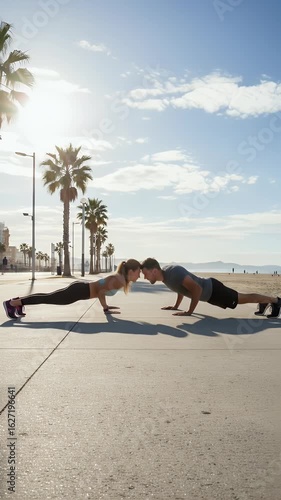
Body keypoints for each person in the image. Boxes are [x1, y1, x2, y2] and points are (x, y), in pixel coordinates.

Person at [141, 258, 281, 318]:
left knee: (241, 298)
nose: (145, 278)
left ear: (154, 270)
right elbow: (181, 288)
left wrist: (189, 312)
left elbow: (196, 289)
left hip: (214, 291)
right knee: (241, 298)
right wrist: (175, 306)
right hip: (211, 293)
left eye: (145, 274)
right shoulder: (166, 276)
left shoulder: (173, 272)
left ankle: (275, 301)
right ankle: (265, 302)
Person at [3, 259, 141, 319]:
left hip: (80, 290)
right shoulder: (118, 280)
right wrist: (105, 308)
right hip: (78, 291)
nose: (139, 275)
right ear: (131, 271)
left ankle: (18, 302)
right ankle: (12, 304)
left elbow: (101, 288)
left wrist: (106, 307)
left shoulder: (120, 279)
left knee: (48, 297)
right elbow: (100, 291)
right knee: (47, 298)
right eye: (138, 272)